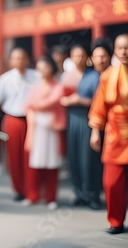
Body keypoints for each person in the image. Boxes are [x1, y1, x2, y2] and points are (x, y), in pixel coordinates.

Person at [60, 38, 113, 209]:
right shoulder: (77, 75)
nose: (79, 58)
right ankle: (78, 192)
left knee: (90, 159)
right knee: (74, 157)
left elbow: (100, 101)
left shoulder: (101, 75)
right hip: (73, 119)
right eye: (75, 55)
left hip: (89, 120)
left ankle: (93, 195)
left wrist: (79, 100)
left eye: (82, 55)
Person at [0, 47, 40, 201]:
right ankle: (19, 190)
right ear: (10, 61)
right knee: (14, 157)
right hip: (12, 120)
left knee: (31, 155)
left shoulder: (36, 76)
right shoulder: (5, 79)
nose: (19, 61)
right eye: (15, 58)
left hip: (32, 121)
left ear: (27, 59)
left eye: (22, 58)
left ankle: (32, 190)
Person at [89, 33, 128, 235]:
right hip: (115, 134)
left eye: (127, 47)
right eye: (120, 48)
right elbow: (99, 106)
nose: (124, 52)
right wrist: (96, 130)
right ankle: (116, 221)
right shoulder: (108, 75)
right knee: (112, 182)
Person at [23, 56, 65, 210]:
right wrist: (35, 107)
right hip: (37, 128)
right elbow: (27, 106)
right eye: (39, 68)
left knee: (51, 163)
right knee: (35, 163)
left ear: (52, 67)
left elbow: (53, 101)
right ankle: (32, 195)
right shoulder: (35, 86)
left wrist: (36, 105)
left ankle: (51, 197)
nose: (41, 71)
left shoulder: (58, 86)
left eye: (45, 67)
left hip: (52, 129)